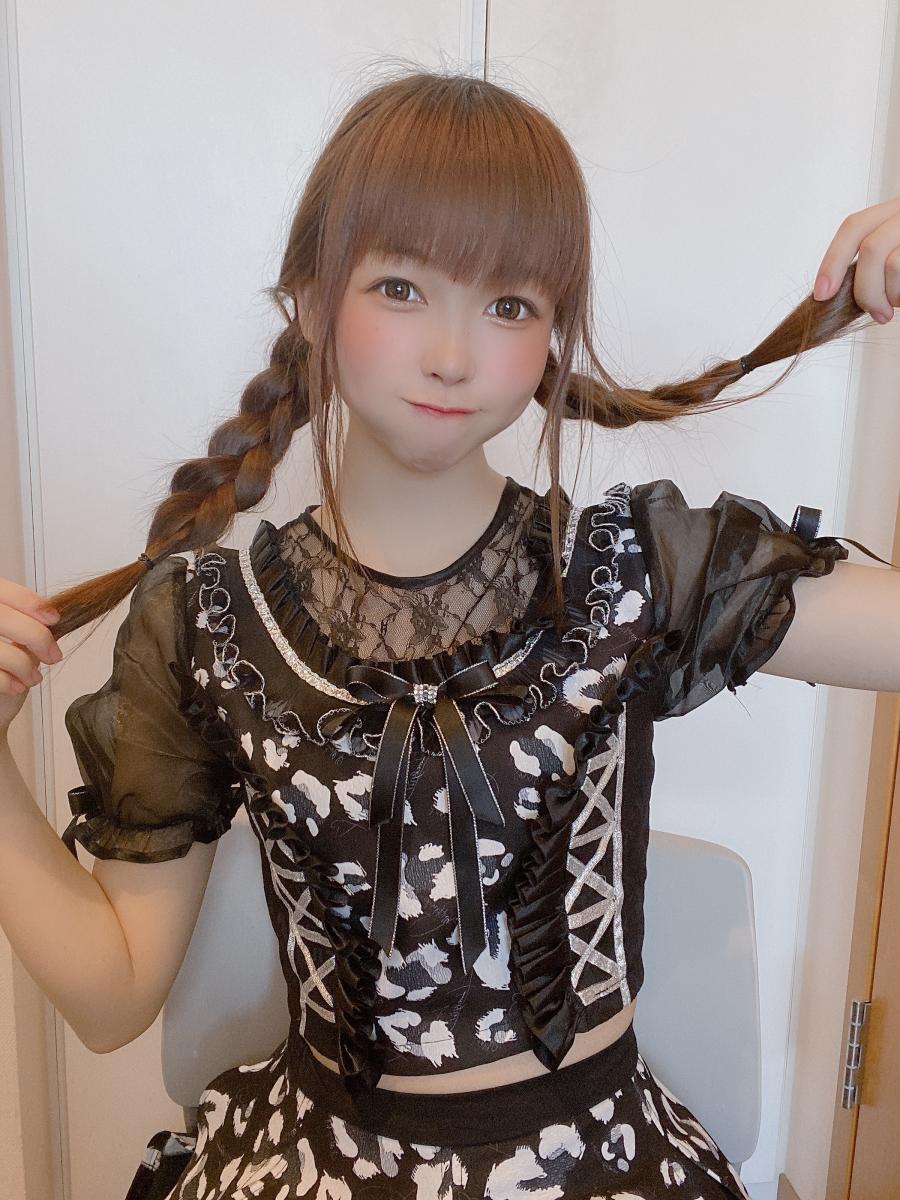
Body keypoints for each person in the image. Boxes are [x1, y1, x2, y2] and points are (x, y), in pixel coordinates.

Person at [0, 66, 898, 1200]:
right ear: (310, 300)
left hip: (600, 1164)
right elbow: (111, 992)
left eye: (510, 305)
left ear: (552, 335)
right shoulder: (204, 623)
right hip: (313, 1164)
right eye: (401, 287)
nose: (454, 354)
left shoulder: (640, 570)